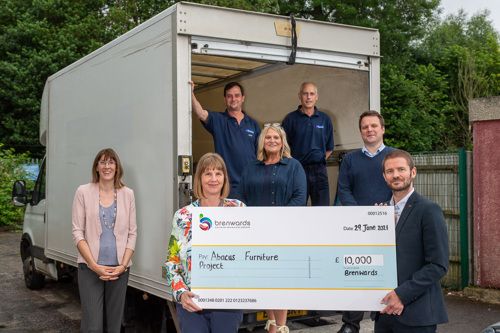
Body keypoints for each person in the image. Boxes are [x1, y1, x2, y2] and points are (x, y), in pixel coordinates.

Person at [236, 125, 307, 333]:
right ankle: (272, 324)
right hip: (257, 234)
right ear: (262, 142)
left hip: (284, 233)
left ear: (282, 141)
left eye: (276, 137)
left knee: (280, 280)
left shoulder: (294, 166)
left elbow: (300, 198)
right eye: (268, 137)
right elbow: (241, 197)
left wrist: (277, 220)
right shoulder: (251, 167)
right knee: (264, 279)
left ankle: (282, 326)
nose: (272, 140)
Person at [166, 153, 245, 333]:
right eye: (208, 173)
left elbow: (250, 252)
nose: (213, 179)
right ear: (199, 178)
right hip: (192, 302)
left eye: (218, 173)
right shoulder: (182, 216)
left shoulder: (238, 209)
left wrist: (240, 222)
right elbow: (172, 261)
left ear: (225, 178)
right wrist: (180, 293)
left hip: (228, 302)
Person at [373, 149, 449, 332]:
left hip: (417, 315)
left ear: (412, 172)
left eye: (401, 169)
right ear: (384, 176)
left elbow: (438, 265)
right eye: (390, 171)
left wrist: (402, 295)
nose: (396, 175)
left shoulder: (429, 210)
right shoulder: (378, 214)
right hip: (383, 312)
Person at [336, 110, 396, 333]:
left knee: (385, 274)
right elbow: (344, 190)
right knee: (357, 274)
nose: (369, 130)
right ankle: (351, 325)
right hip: (357, 228)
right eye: (365, 127)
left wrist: (385, 213)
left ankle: (384, 322)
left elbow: (401, 186)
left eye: (373, 126)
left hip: (388, 226)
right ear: (360, 131)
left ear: (382, 129)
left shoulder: (394, 156)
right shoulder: (350, 159)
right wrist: (361, 216)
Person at [72, 148, 137, 332]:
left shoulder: (128, 194)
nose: (107, 166)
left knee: (113, 325)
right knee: (92, 325)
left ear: (117, 167)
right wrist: (94, 265)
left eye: (111, 162)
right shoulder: (83, 192)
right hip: (90, 268)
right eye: (102, 162)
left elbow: (132, 233)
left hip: (119, 269)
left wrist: (123, 266)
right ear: (96, 167)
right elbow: (77, 233)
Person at [190, 81, 261, 198]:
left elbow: (260, 154)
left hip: (250, 185)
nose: (233, 99)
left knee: (249, 217)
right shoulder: (218, 120)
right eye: (229, 96)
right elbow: (200, 113)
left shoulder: (253, 124)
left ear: (243, 98)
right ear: (224, 99)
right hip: (227, 187)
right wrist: (191, 93)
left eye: (237, 95)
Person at [282, 82, 334, 206]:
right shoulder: (290, 119)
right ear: (300, 96)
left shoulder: (325, 119)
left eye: (312, 94)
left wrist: (320, 160)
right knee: (297, 210)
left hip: (319, 171)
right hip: (297, 171)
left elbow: (329, 147)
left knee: (322, 211)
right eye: (305, 94)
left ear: (317, 96)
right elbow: (283, 147)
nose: (308, 97)